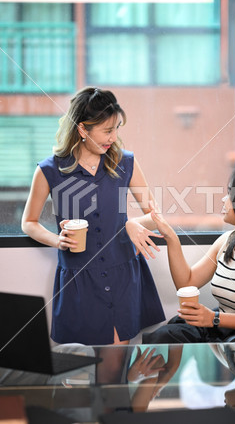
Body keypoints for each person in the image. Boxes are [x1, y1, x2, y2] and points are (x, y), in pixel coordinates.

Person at [21, 87, 165, 346]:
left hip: (122, 277)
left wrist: (130, 224)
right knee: (80, 373)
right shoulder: (49, 170)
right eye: (107, 130)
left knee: (113, 367)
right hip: (79, 280)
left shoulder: (126, 162)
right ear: (83, 129)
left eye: (116, 129)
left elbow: (155, 216)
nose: (114, 137)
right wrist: (58, 240)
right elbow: (28, 223)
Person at [143, 165, 235, 344]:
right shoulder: (227, 240)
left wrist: (214, 318)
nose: (223, 199)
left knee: (166, 337)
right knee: (163, 335)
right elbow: (187, 282)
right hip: (221, 328)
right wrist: (172, 238)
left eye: (230, 194)